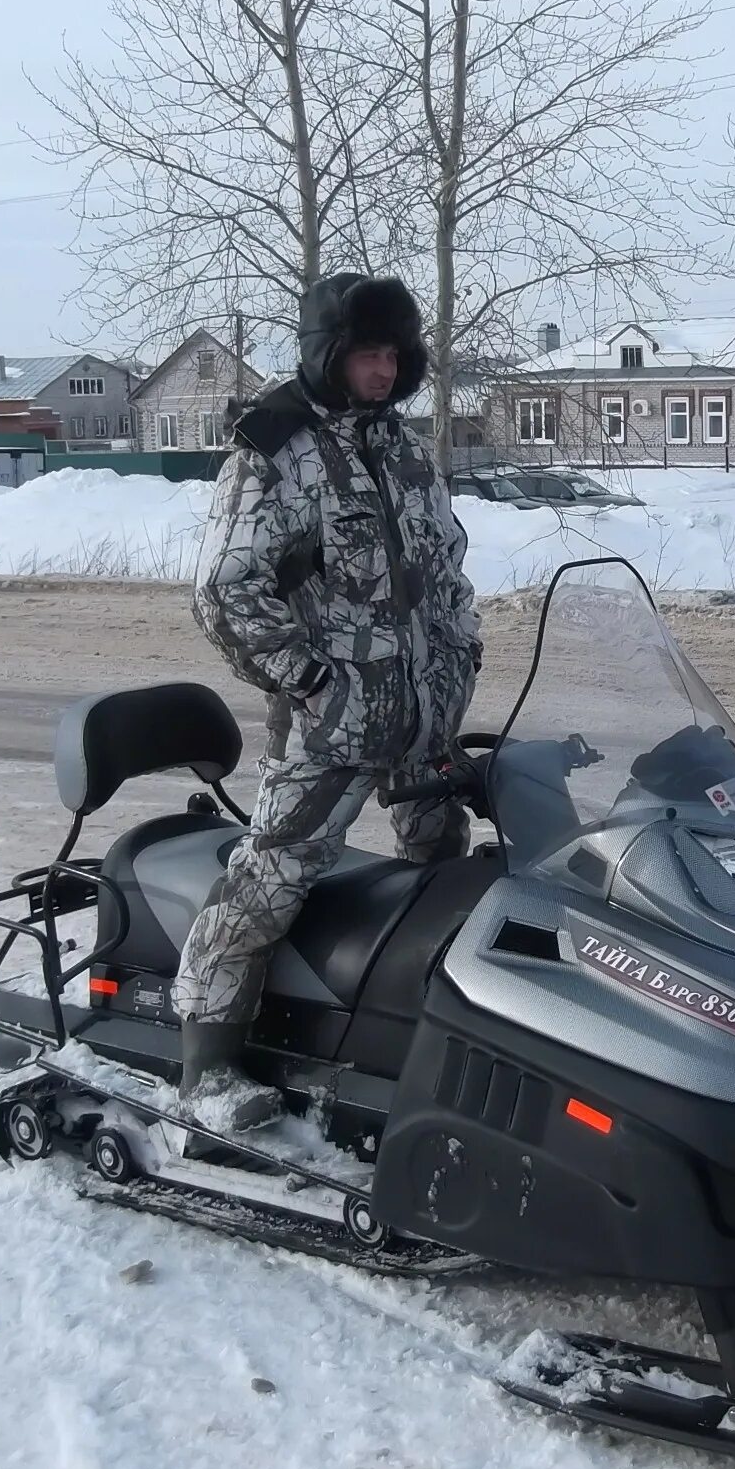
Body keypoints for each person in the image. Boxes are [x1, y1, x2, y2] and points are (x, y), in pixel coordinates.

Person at [175, 271, 482, 1138]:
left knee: (445, 871)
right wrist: (314, 684)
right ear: (329, 356)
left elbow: (445, 569)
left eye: (394, 355)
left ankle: (430, 1034)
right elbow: (224, 591)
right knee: (270, 877)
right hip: (332, 723)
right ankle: (208, 1065)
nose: (384, 372)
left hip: (423, 717)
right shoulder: (276, 451)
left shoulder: (402, 447)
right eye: (366, 355)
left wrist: (460, 653)